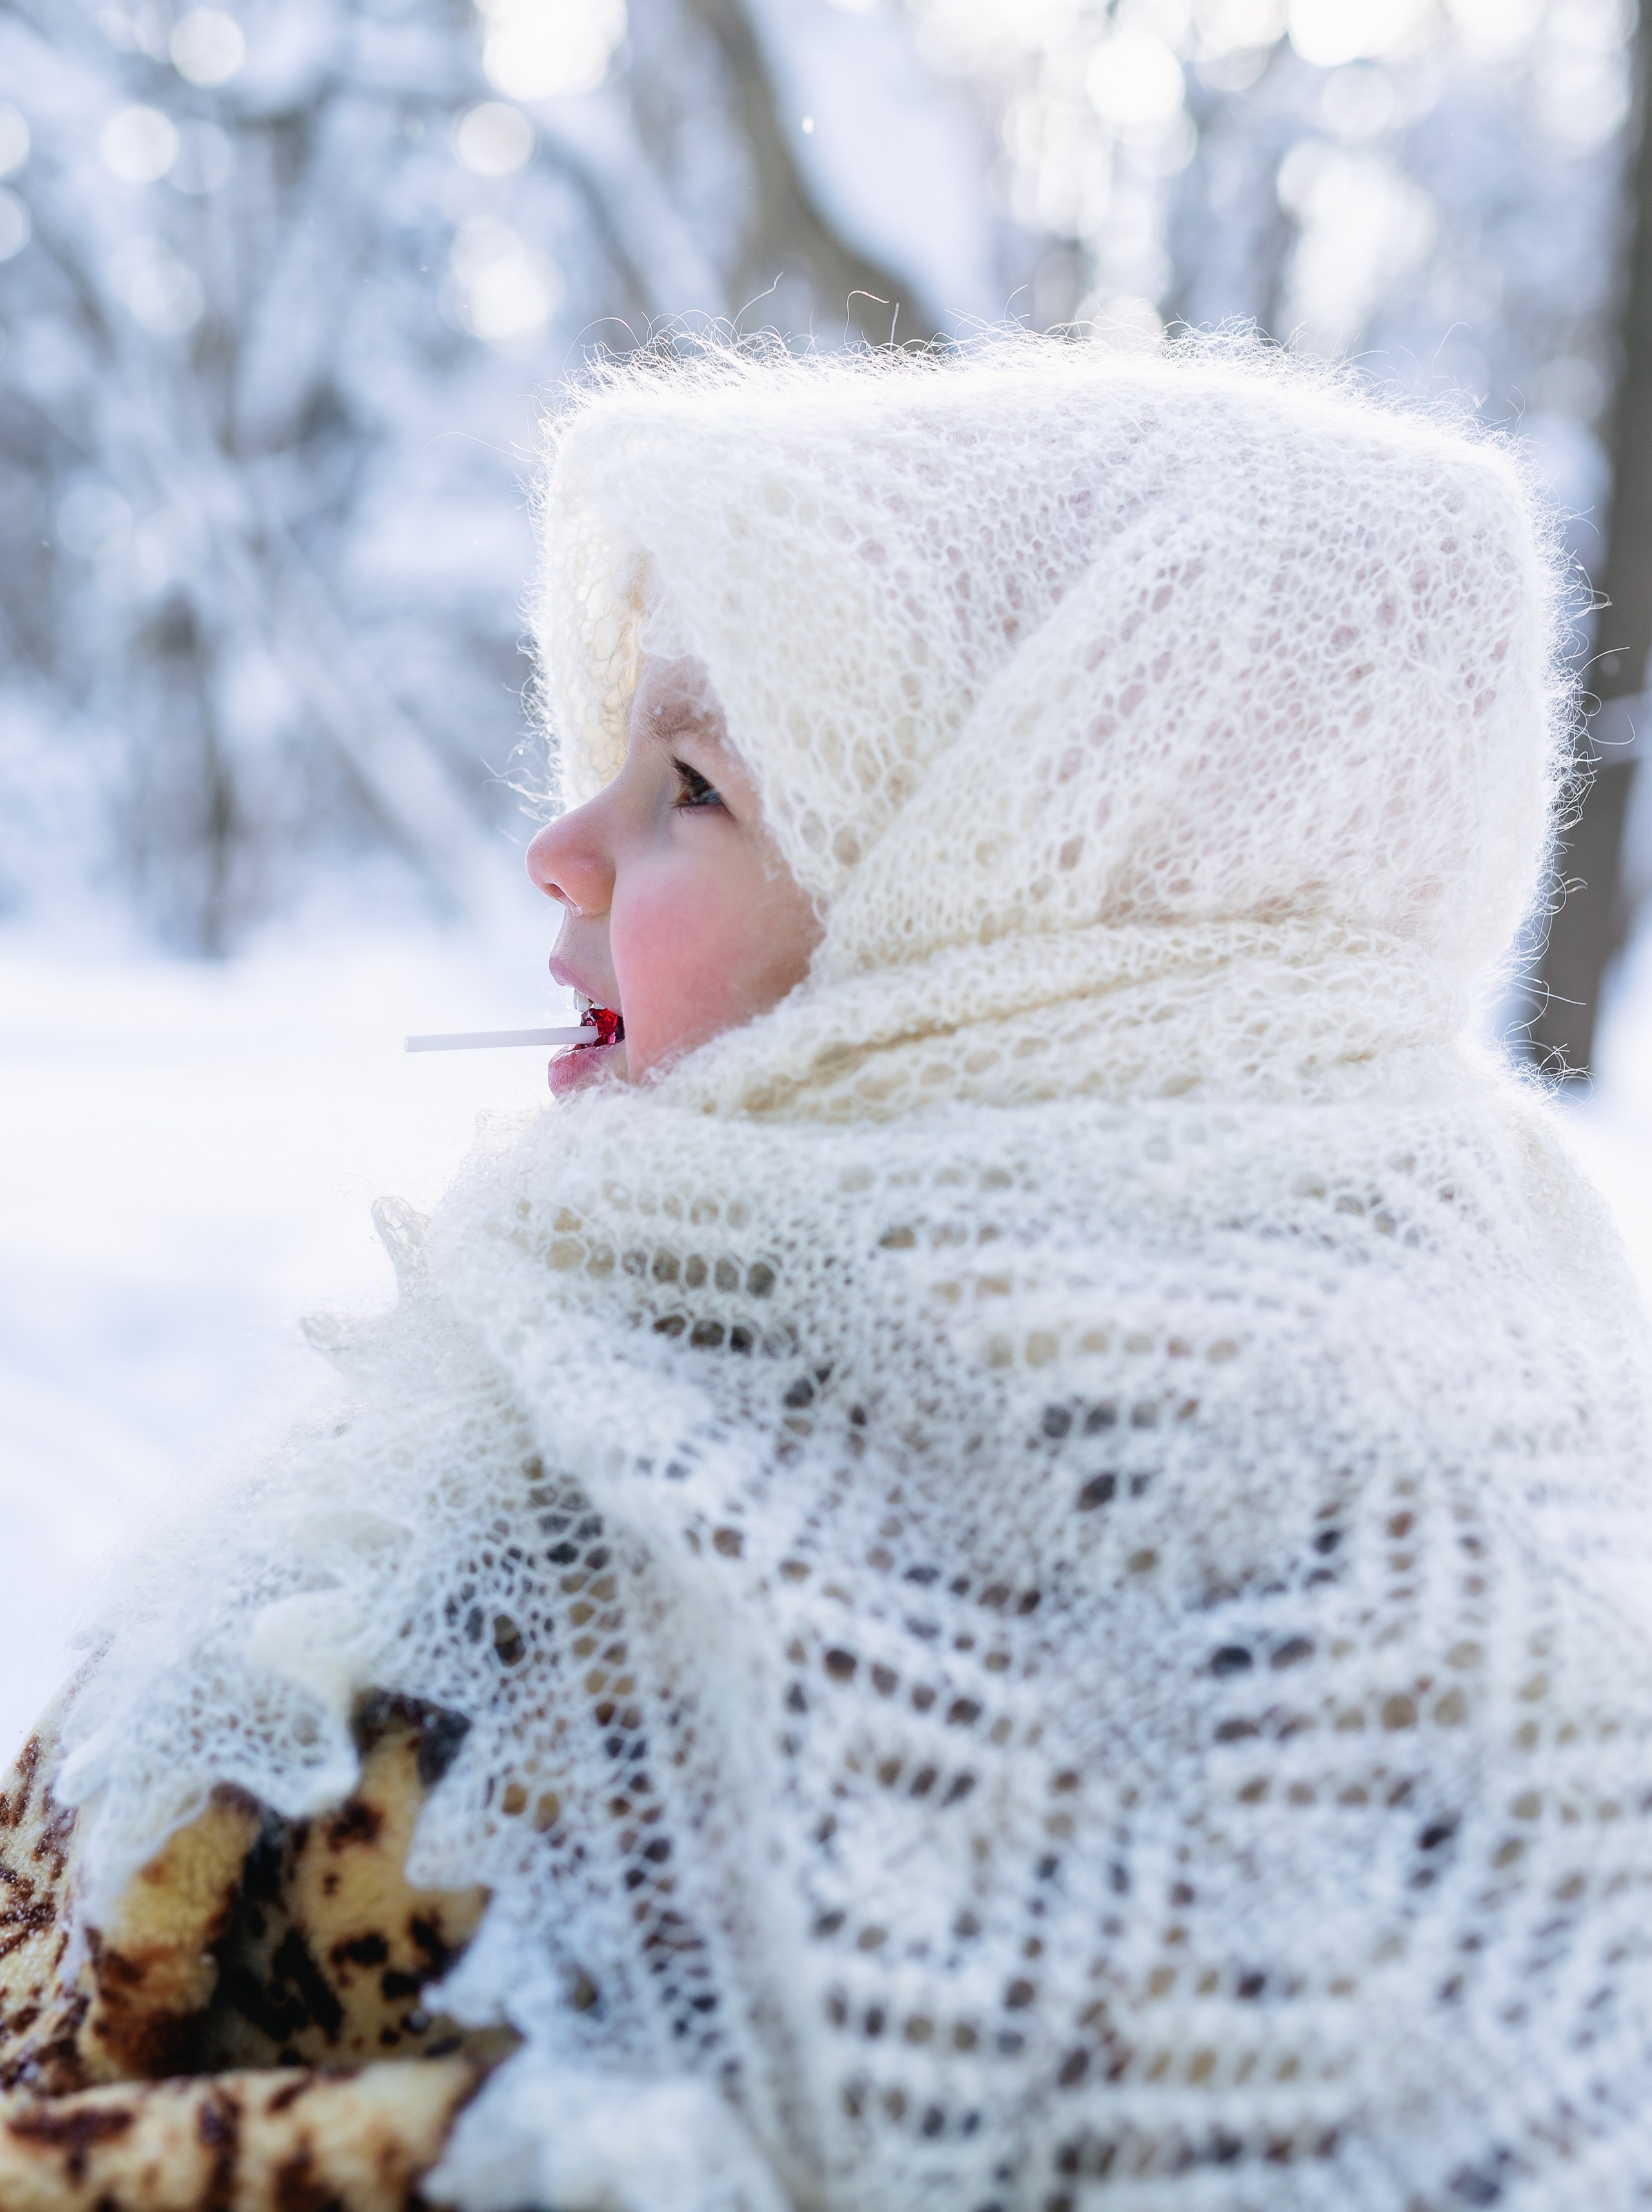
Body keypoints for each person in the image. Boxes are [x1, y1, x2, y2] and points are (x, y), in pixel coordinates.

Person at [4, 332, 1651, 2212]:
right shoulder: (1511, 1396)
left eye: (691, 782)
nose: (560, 846)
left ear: (1013, 891)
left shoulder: (672, 1541)